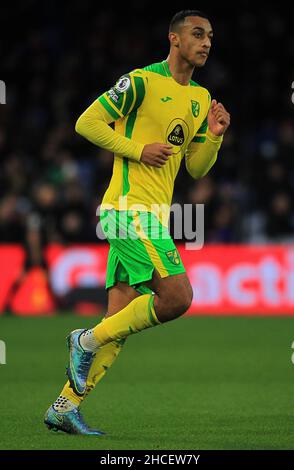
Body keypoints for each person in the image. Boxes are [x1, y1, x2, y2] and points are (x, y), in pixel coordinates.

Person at [44, 9, 230, 435]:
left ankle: (64, 406)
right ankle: (83, 341)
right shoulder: (142, 81)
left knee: (120, 318)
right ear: (174, 39)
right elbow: (86, 122)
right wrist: (135, 149)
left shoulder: (200, 99)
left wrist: (215, 134)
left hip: (153, 216)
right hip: (129, 210)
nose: (205, 42)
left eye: (210, 36)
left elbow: (197, 169)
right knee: (178, 297)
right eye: (197, 34)